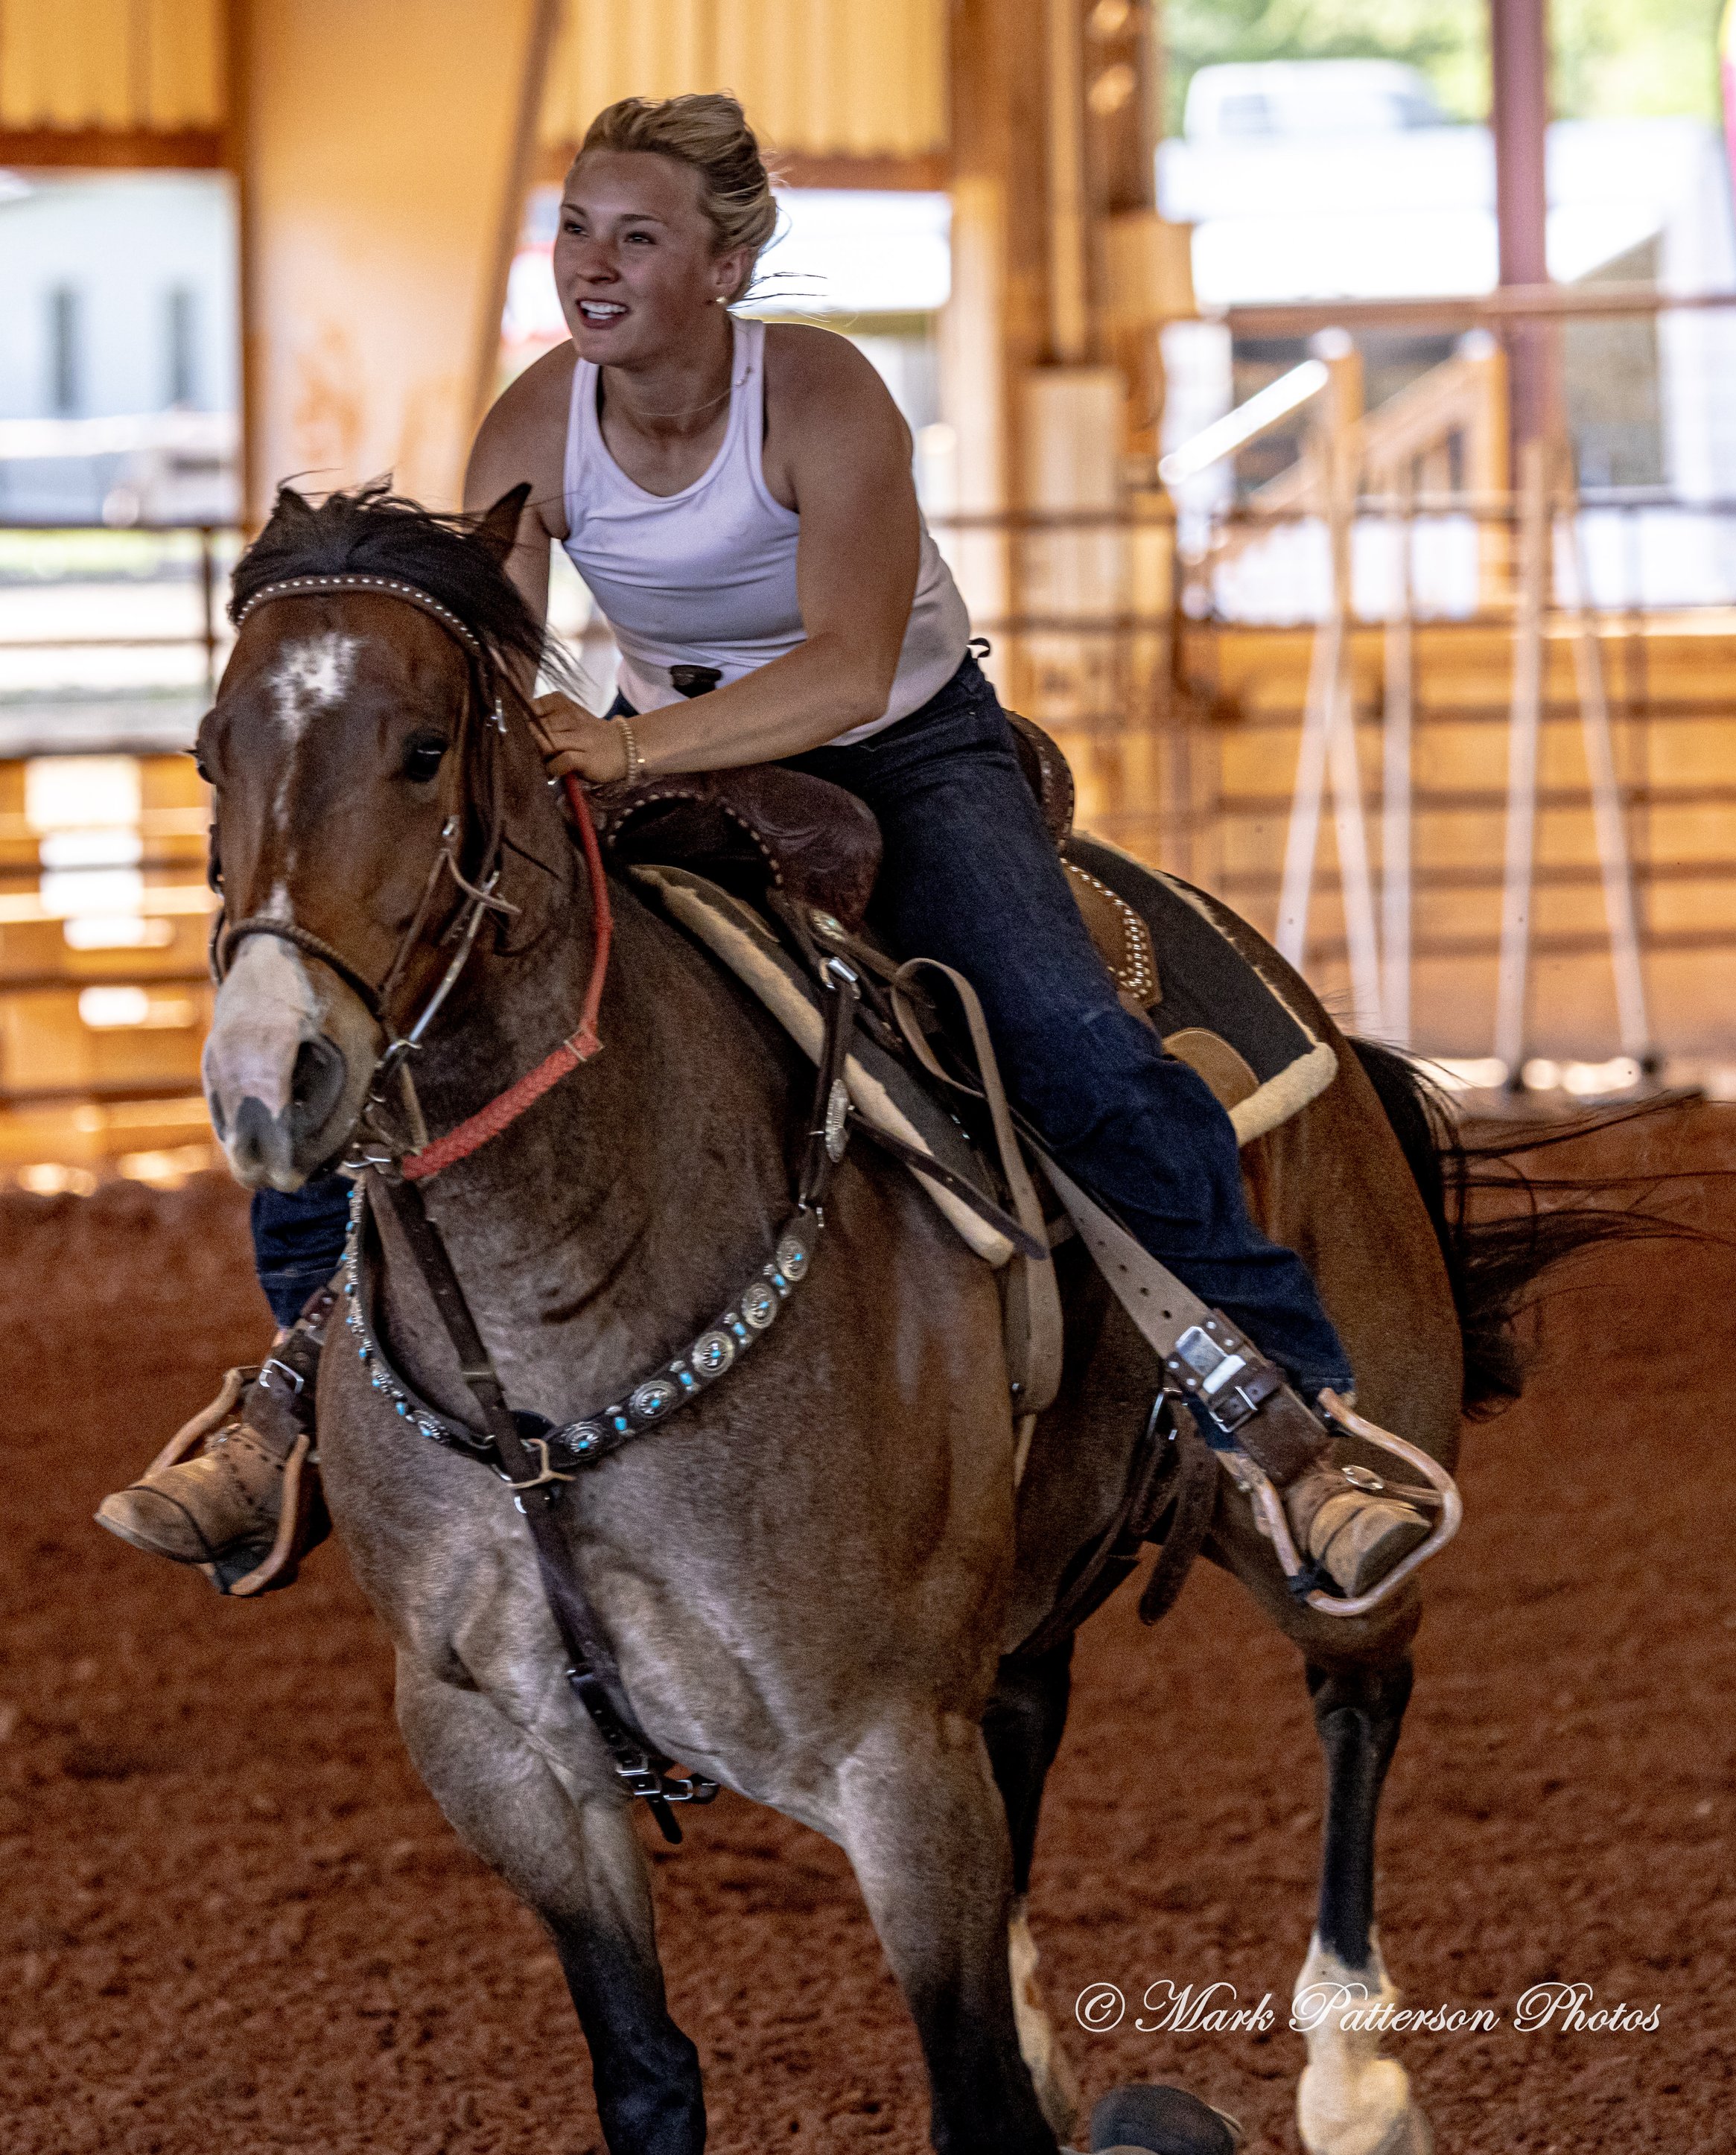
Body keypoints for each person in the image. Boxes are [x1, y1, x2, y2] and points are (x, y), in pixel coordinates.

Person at [97, 93, 1427, 1602]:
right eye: (577, 230)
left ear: (722, 268)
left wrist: (621, 745)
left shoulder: (820, 397)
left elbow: (852, 670)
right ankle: (289, 1409)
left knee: (1063, 1032)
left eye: (635, 237)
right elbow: (486, 652)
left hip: (899, 752)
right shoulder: (536, 420)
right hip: (648, 747)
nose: (588, 265)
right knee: (384, 1013)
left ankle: (1296, 1419)